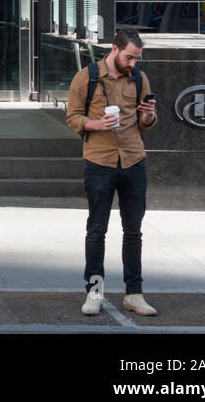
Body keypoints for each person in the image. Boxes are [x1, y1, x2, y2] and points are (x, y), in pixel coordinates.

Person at [65, 28, 159, 316]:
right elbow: (72, 117)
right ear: (116, 49)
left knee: (134, 231)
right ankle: (94, 292)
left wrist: (148, 115)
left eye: (136, 58)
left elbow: (147, 122)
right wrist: (96, 124)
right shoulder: (86, 78)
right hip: (99, 162)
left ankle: (134, 293)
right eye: (130, 57)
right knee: (97, 230)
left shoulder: (139, 78)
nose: (133, 62)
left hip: (133, 160)